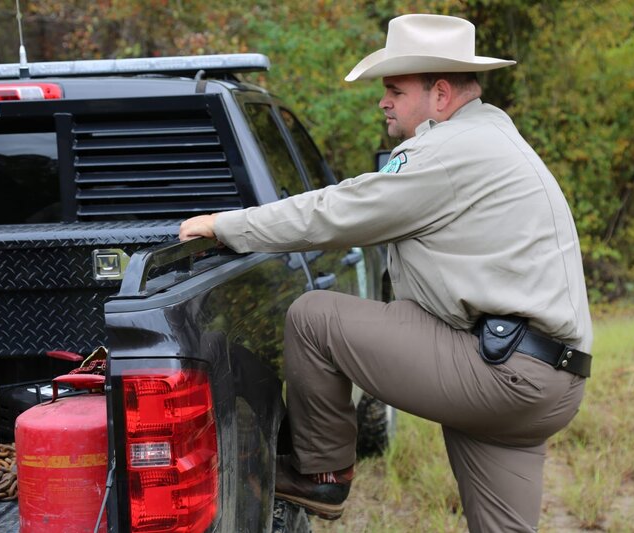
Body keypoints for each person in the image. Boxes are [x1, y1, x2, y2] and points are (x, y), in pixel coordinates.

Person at [179, 13, 593, 532]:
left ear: (440, 95)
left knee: (313, 317)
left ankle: (322, 476)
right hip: (551, 380)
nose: (384, 101)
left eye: (395, 89)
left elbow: (337, 211)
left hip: (501, 373)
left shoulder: (445, 152)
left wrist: (223, 225)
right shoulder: (494, 136)